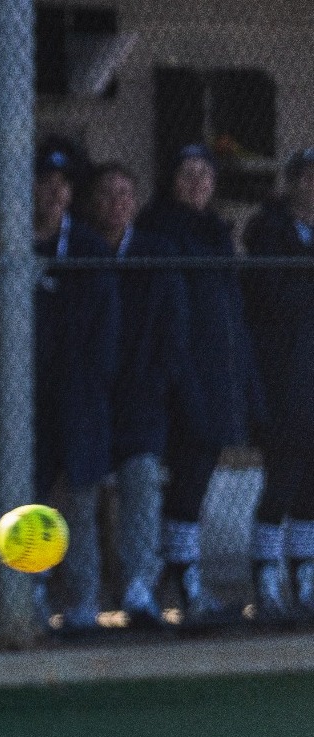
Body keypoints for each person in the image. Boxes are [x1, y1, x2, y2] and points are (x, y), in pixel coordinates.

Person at [136, 144, 255, 622]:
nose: (198, 182)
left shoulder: (218, 232)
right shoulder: (157, 226)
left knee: (195, 476)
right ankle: (149, 583)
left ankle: (184, 578)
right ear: (171, 179)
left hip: (214, 377)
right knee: (157, 479)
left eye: (205, 174)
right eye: (187, 173)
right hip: (167, 376)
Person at [88, 163, 190, 625]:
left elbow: (174, 333)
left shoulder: (156, 254)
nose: (117, 203)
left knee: (143, 478)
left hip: (140, 398)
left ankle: (138, 589)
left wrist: (155, 384)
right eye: (108, 194)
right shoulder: (82, 252)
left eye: (126, 194)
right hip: (88, 398)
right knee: (79, 492)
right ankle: (79, 599)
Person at [30, 142, 120, 630]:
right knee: (32, 506)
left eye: (63, 185)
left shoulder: (87, 246)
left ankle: (84, 603)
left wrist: (92, 384)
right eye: (45, 182)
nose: (54, 192)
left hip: (80, 399)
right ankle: (32, 595)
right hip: (25, 400)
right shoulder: (12, 238)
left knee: (80, 505)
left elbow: (104, 329)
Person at [242, 147, 314, 617]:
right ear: (293, 183)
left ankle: (305, 572)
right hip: (285, 376)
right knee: (283, 476)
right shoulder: (267, 229)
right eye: (307, 177)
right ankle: (266, 573)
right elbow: (274, 301)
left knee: (311, 482)